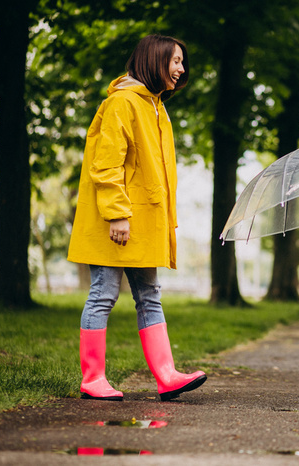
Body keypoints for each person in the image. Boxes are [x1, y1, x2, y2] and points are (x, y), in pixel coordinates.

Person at [67, 34, 206, 402]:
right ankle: (92, 378)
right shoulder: (122, 103)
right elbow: (106, 164)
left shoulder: (156, 107)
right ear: (154, 60)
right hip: (116, 222)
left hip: (142, 223)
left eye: (182, 62)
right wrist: (116, 214)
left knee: (149, 295)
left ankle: (166, 375)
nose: (181, 68)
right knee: (104, 293)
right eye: (175, 61)